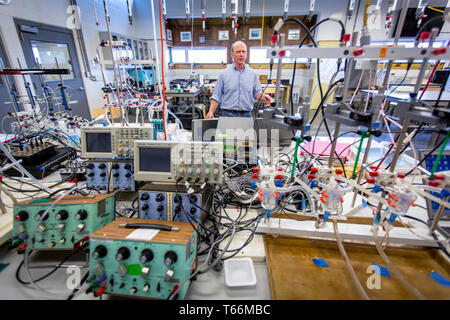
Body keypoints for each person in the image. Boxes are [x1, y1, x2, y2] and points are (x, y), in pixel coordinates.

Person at [206, 41, 272, 118]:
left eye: (243, 52)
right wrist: (211, 112)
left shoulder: (253, 74)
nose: (241, 54)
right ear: (232, 55)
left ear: (246, 54)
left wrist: (264, 97)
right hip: (228, 115)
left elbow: (256, 93)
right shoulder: (224, 74)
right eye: (238, 52)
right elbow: (216, 96)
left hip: (246, 115)